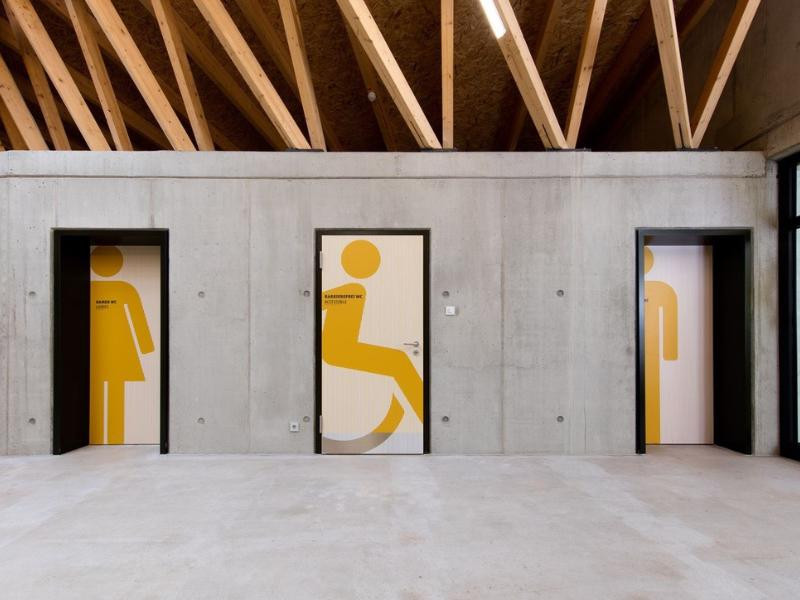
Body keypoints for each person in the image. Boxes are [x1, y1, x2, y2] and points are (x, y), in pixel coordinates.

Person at [321, 239, 423, 424]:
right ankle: (422, 416)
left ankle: (423, 418)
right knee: (399, 361)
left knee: (399, 361)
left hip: (345, 349)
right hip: (338, 351)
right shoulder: (352, 289)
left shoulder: (354, 289)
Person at [90, 246, 154, 445]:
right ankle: (114, 436)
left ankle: (112, 437)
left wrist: (146, 347)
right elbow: (138, 319)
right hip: (120, 349)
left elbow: (137, 317)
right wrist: (146, 347)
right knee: (113, 394)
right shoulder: (125, 288)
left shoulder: (118, 288)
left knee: (103, 392)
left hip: (112, 350)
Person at [644, 246, 678, 445]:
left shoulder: (663, 289)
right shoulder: (662, 288)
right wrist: (670, 353)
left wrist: (670, 353)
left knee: (653, 389)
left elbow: (670, 320)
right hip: (648, 349)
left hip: (653, 350)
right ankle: (651, 434)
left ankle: (653, 434)